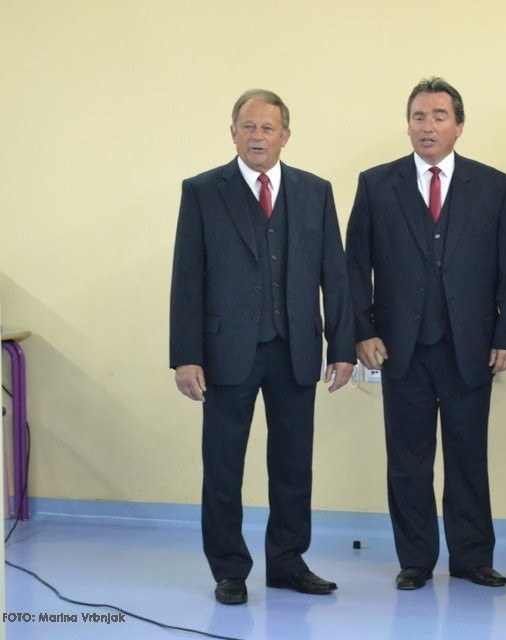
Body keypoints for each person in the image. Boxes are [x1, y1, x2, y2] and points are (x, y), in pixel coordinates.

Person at [170, 89, 355, 605]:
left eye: (267, 128)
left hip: (296, 350)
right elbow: (187, 277)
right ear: (233, 133)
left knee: (294, 466)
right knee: (223, 467)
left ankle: (288, 563)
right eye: (248, 127)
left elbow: (335, 275)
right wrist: (185, 355)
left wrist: (342, 346)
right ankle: (229, 569)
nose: (257, 136)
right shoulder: (203, 191)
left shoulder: (315, 191)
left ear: (285, 136)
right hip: (225, 353)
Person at [345, 77, 506, 591]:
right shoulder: (376, 184)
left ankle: (472, 557)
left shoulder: (494, 186)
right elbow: (355, 264)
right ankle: (415, 560)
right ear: (408, 125)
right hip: (400, 348)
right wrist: (362, 330)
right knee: (408, 461)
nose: (428, 126)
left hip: (471, 347)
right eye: (419, 117)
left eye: (439, 117)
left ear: (459, 126)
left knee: (469, 458)